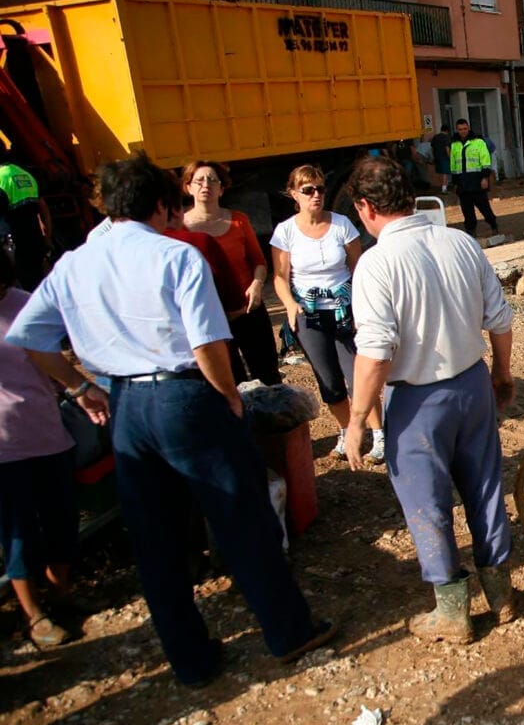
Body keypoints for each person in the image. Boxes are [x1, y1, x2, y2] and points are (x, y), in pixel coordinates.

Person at [7, 152, 336, 687]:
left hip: (124, 406)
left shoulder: (72, 263)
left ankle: (190, 659)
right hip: (185, 396)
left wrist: (81, 387)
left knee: (155, 538)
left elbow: (29, 338)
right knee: (241, 517)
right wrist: (229, 396)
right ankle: (288, 631)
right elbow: (208, 342)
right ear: (161, 204)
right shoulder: (176, 258)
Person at [343, 156, 516, 645]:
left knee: (428, 501)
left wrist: (358, 419)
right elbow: (500, 319)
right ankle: (501, 594)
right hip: (472, 384)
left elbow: (375, 352)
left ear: (364, 207)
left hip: (418, 401)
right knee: (485, 488)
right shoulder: (459, 241)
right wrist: (501, 375)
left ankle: (452, 611)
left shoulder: (376, 263)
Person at [269, 165, 386, 462]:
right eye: (308, 190)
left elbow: (358, 266)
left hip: (345, 311)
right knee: (329, 381)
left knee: (358, 375)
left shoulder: (342, 224)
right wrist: (291, 306)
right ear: (294, 194)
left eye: (320, 188)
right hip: (309, 316)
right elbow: (280, 277)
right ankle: (347, 431)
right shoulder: (285, 232)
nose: (316, 195)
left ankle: (379, 434)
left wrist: (359, 305)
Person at [0, 249, 82, 647]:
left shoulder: (24, 303)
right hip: (4, 446)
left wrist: (81, 390)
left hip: (47, 431)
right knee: (18, 532)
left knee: (62, 519)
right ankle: (33, 614)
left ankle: (61, 591)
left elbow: (55, 358)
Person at [182, 161, 282, 386]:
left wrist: (257, 284)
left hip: (249, 310)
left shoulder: (238, 220)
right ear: (188, 187)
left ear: (222, 188)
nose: (205, 185)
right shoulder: (180, 228)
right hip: (211, 318)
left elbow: (258, 261)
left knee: (268, 376)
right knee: (230, 379)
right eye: (199, 180)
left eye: (212, 180)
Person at [0, 144, 54, 291]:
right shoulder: (25, 174)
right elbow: (42, 207)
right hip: (35, 243)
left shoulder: (1, 178)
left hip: (14, 250)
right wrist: (47, 237)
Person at [448, 119, 499, 238]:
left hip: (477, 181)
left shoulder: (478, 142)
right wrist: (455, 183)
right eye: (460, 129)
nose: (463, 131)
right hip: (462, 183)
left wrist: (485, 178)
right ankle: (471, 232)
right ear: (457, 130)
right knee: (467, 211)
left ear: (468, 128)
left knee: (484, 208)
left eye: (465, 129)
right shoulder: (454, 144)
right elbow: (453, 165)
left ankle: (493, 225)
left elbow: (485, 161)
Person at [432, 125, 453, 194]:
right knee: (445, 173)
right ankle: (444, 189)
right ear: (447, 131)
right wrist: (450, 157)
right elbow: (447, 148)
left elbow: (432, 148)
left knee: (440, 172)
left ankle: (441, 187)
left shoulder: (435, 137)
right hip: (444, 157)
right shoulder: (446, 137)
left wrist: (433, 156)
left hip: (437, 157)